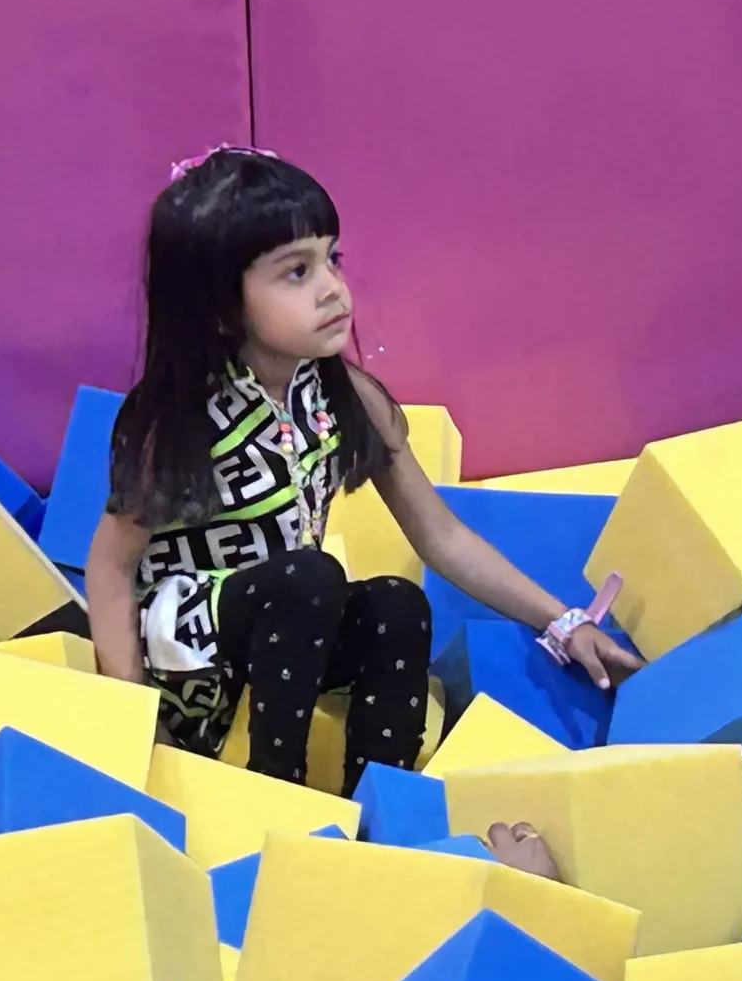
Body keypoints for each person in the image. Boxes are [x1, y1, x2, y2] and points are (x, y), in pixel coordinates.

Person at [86, 147, 640, 793]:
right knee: (308, 576)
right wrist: (137, 725)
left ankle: (379, 802)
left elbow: (443, 537)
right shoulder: (179, 420)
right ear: (219, 304)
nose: (332, 288)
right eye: (296, 272)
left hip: (292, 632)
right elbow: (111, 568)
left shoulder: (347, 397)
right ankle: (276, 793)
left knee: (396, 604)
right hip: (191, 651)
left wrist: (564, 622)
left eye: (333, 259)